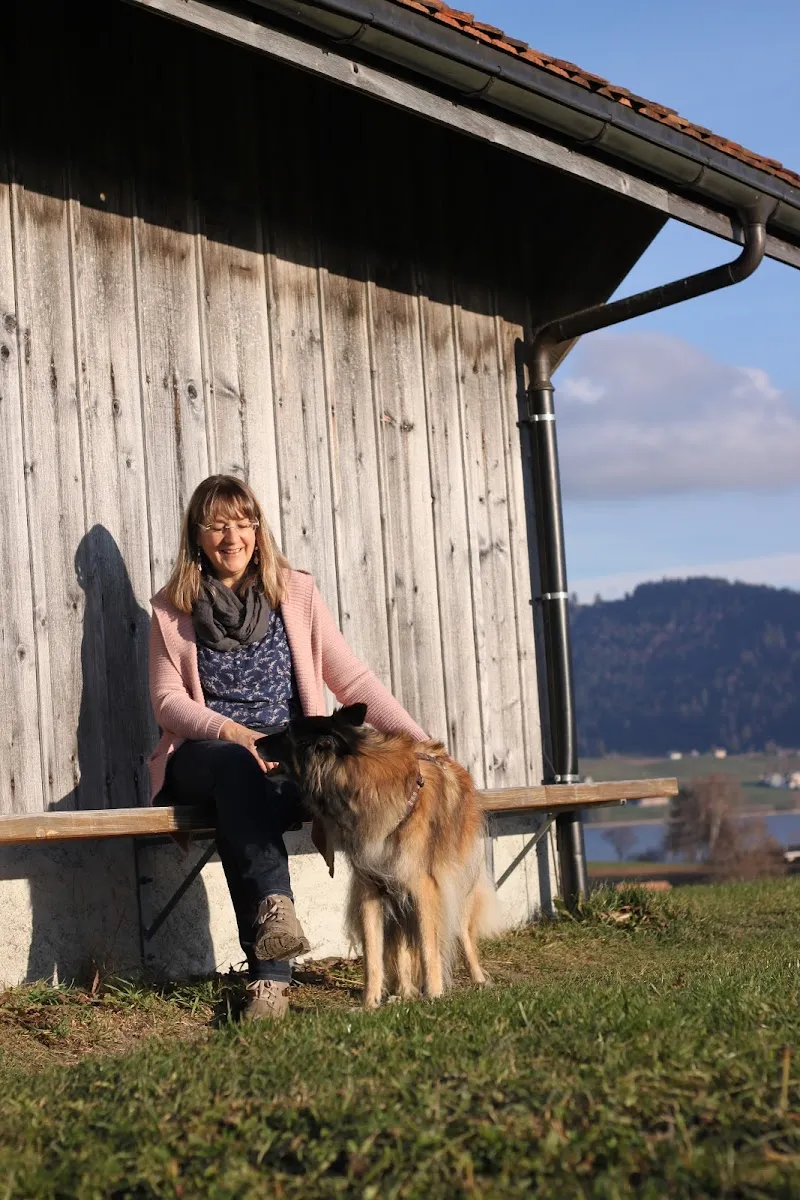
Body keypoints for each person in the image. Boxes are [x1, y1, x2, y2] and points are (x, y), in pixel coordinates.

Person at [147, 475, 427, 1022]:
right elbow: (167, 701)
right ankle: (274, 947)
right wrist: (232, 732)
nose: (232, 537)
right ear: (196, 535)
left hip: (288, 760)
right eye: (217, 526)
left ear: (258, 529)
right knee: (238, 772)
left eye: (242, 523)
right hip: (208, 754)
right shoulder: (172, 608)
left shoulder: (293, 594)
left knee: (352, 785)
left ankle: (400, 952)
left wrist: (419, 747)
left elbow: (353, 681)